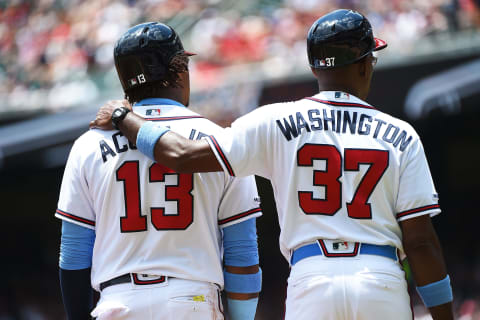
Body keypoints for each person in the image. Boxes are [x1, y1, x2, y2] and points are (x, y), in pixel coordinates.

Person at [91, 10, 454, 320]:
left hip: (312, 280)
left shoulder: (276, 120)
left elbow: (181, 156)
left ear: (314, 66)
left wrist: (125, 116)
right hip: (381, 279)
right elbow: (421, 244)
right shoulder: (400, 134)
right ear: (364, 64)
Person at [57, 22, 262, 320]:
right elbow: (241, 253)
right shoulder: (219, 139)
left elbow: (74, 252)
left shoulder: (88, 144)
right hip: (192, 300)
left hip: (117, 304)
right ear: (179, 71)